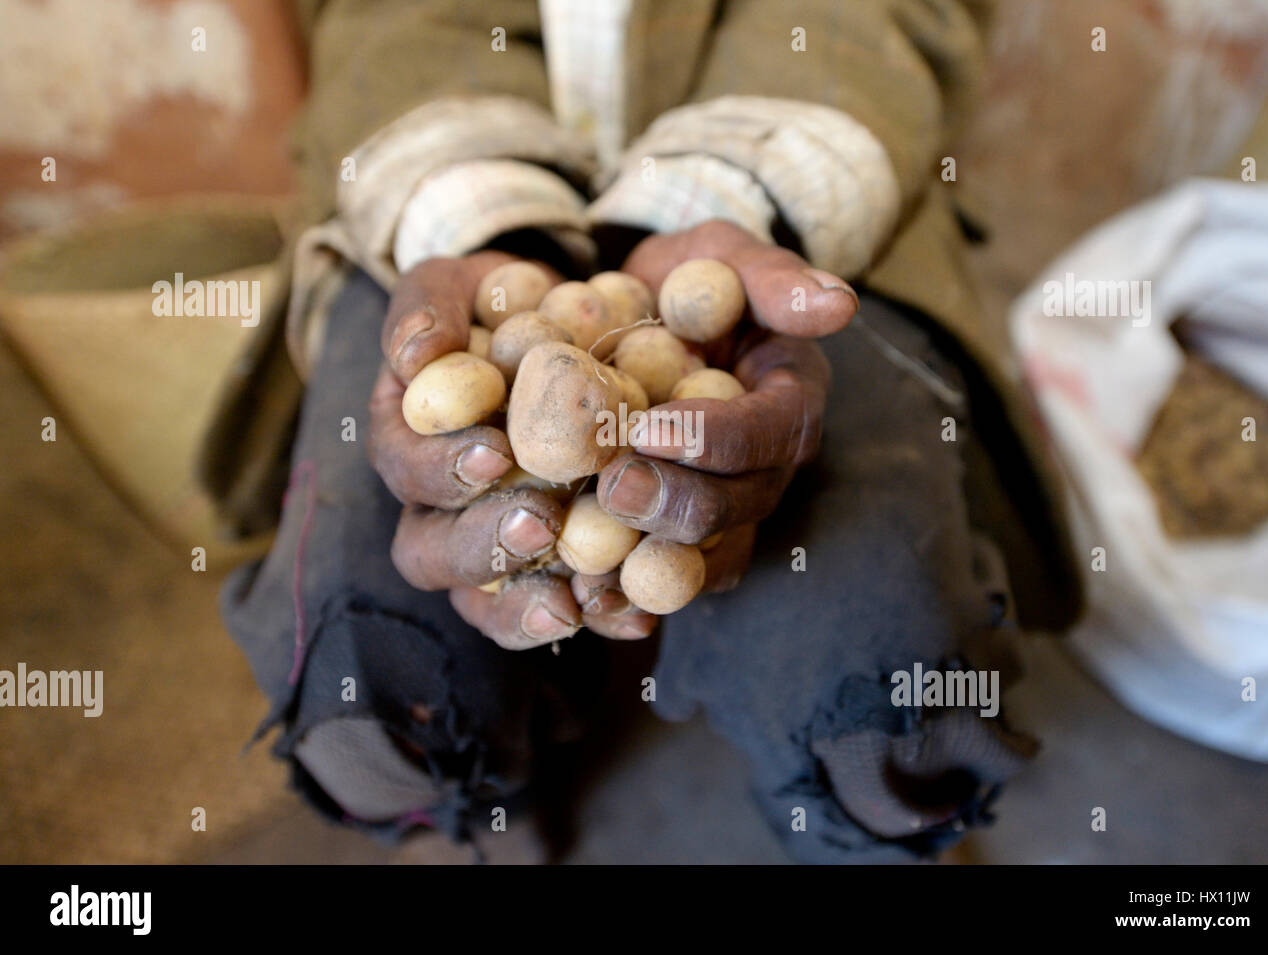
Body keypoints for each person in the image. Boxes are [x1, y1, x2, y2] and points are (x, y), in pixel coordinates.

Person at [222, 0, 1082, 863]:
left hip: (794, 189)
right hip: (439, 202)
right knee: (362, 697)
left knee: (891, 700)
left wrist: (727, 198)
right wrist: (490, 220)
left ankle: (862, 833)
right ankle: (479, 802)